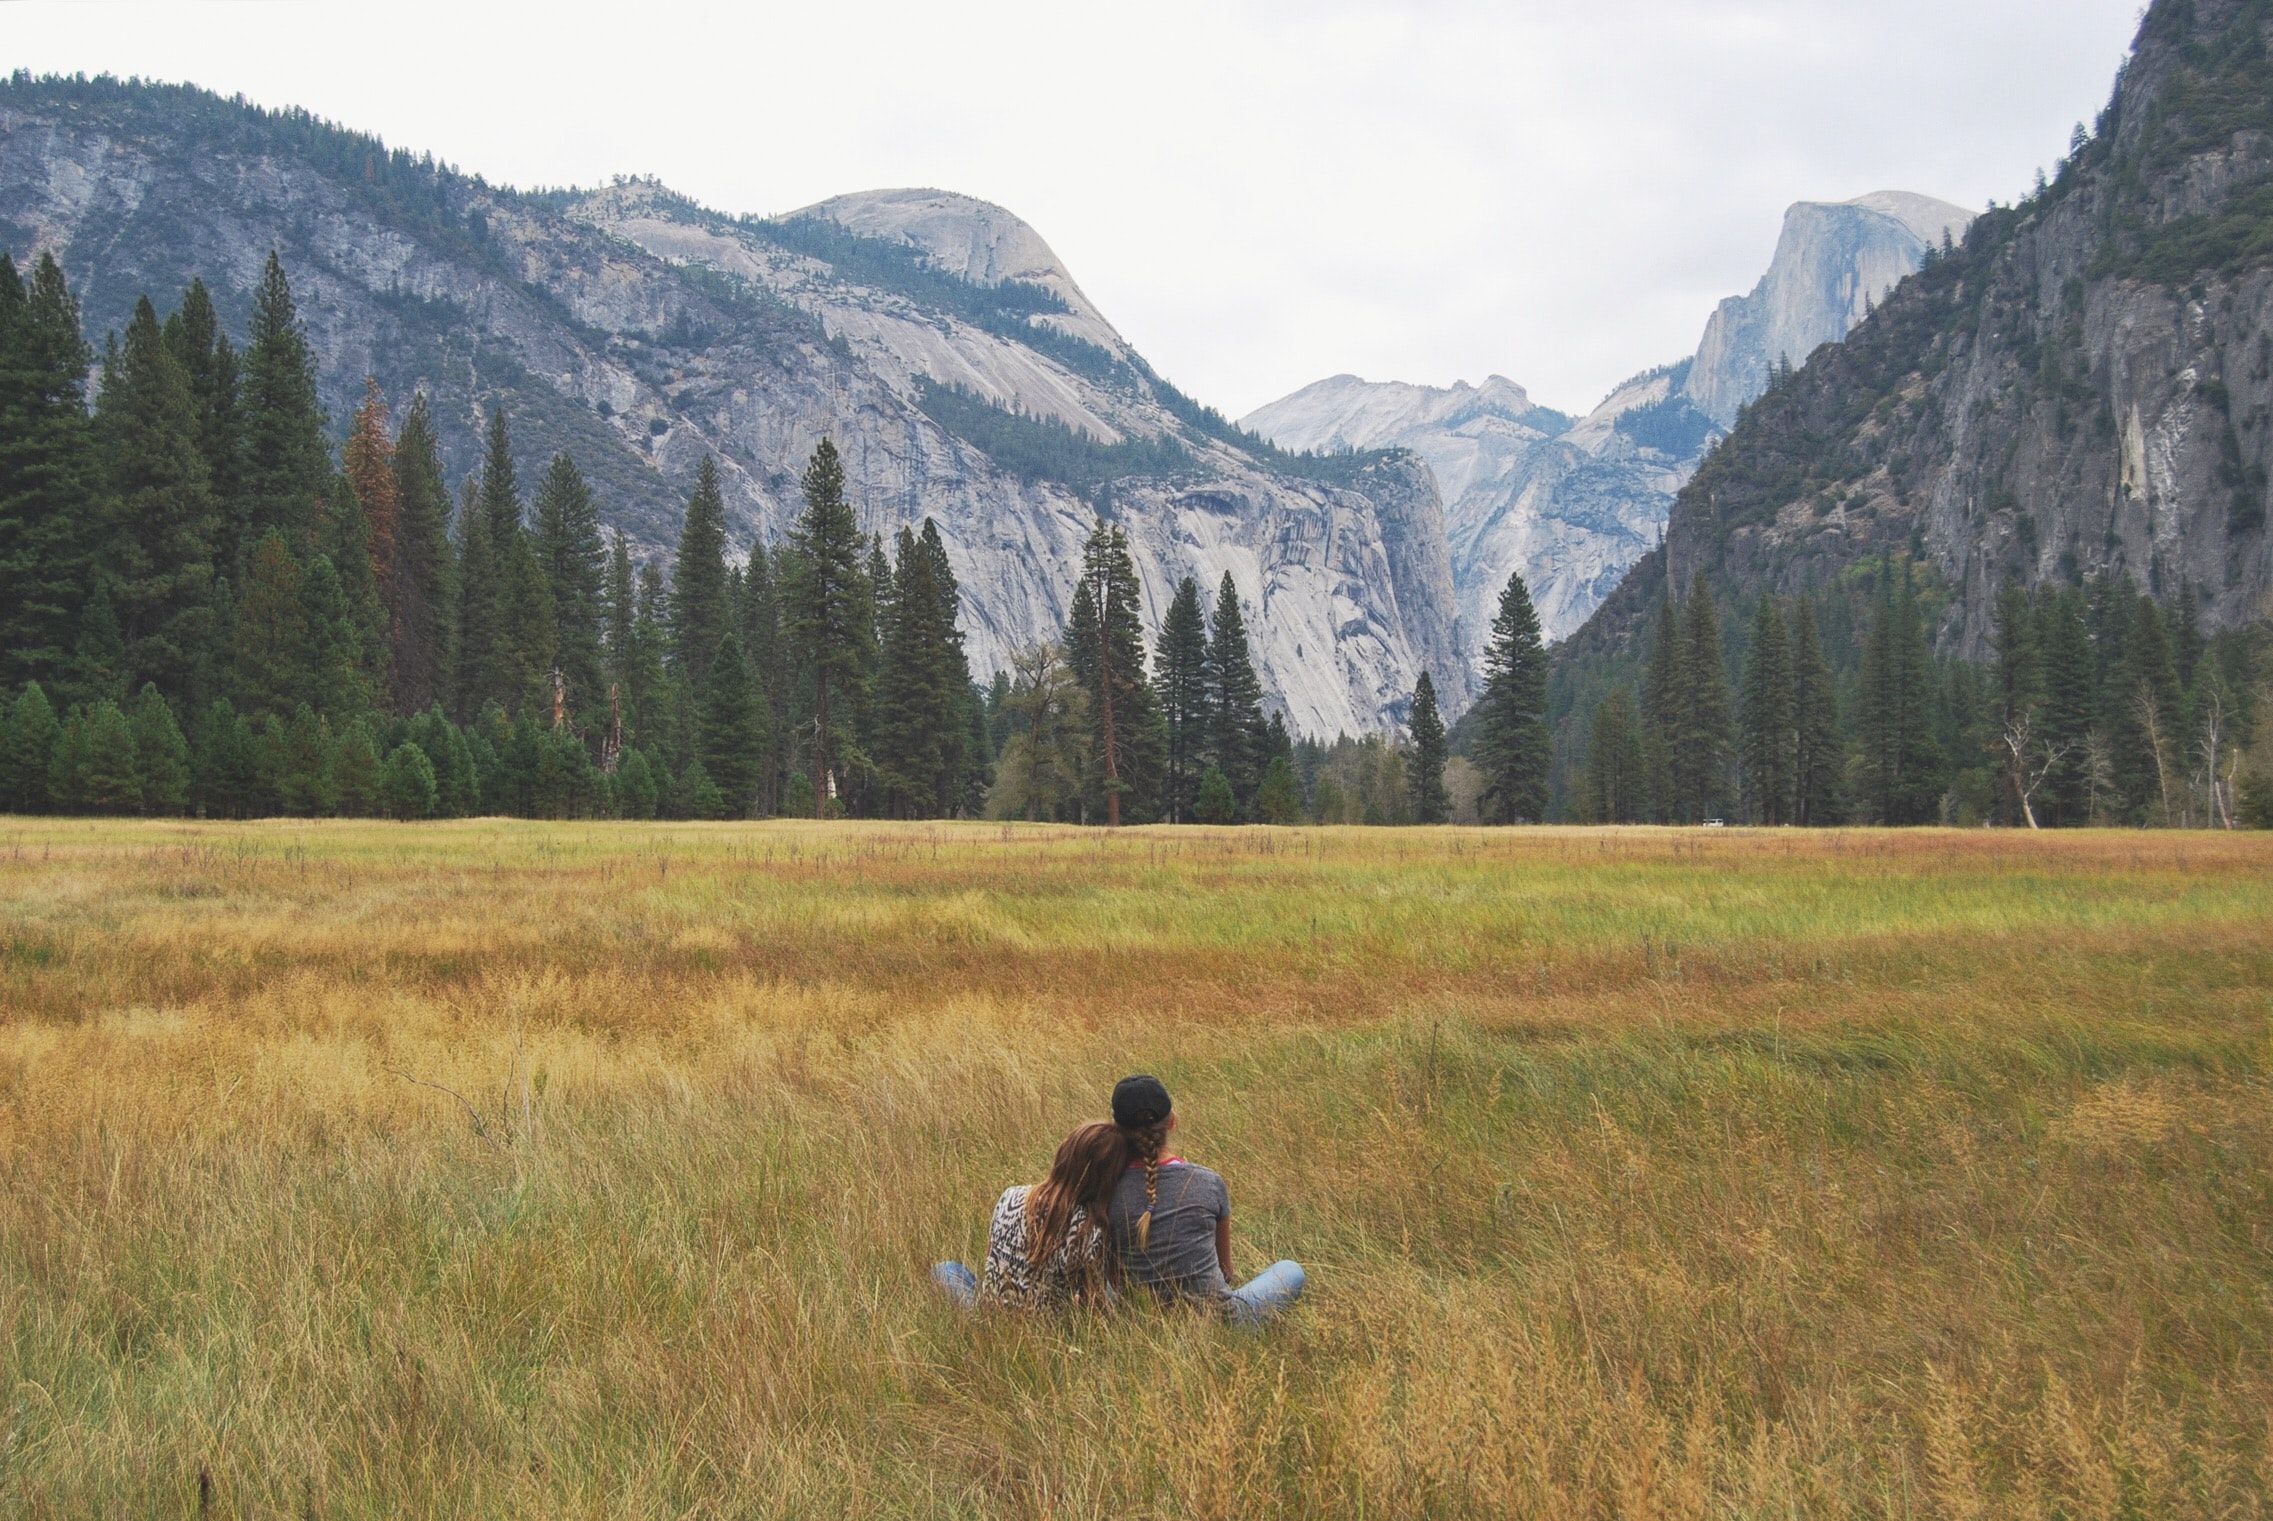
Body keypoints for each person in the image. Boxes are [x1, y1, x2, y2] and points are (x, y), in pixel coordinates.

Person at [1105, 1074, 1305, 1327]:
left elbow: (1110, 1276)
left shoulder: (1105, 1189)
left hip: (1139, 1323)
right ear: (1172, 1121)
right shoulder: (1207, 1181)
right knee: (1290, 1270)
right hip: (1219, 1321)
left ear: (1114, 1127)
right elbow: (1226, 1272)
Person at [932, 1121, 1123, 1311]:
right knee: (1113, 1296)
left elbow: (991, 1261)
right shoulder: (1088, 1230)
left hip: (990, 1313)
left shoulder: (1011, 1196)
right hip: (1046, 1329)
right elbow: (1091, 1307)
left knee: (945, 1269)